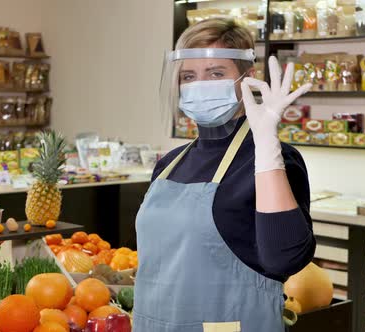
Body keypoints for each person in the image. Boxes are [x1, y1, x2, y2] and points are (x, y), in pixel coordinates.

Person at [133, 18, 315, 332]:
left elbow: (284, 260)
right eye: (189, 76)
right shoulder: (170, 164)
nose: (199, 84)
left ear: (248, 78)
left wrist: (266, 144)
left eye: (216, 73)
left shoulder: (273, 158)